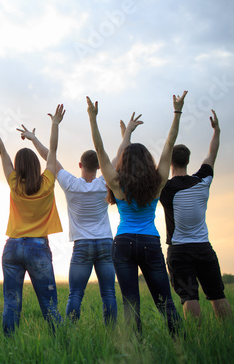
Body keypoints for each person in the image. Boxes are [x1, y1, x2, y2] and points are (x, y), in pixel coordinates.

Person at [86, 92, 187, 335]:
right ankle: (181, 343)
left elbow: (99, 150)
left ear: (124, 161)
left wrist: (92, 118)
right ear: (147, 160)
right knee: (166, 302)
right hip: (150, 243)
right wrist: (177, 113)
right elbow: (169, 145)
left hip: (123, 244)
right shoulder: (158, 181)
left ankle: (137, 352)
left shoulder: (117, 183)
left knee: (130, 304)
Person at [17, 125, 116, 326]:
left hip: (82, 246)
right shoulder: (104, 182)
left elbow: (50, 158)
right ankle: (112, 332)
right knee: (109, 294)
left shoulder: (70, 183)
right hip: (105, 243)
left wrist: (34, 139)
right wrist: (126, 136)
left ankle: (70, 331)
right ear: (99, 167)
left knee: (75, 294)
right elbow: (116, 158)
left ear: (80, 164)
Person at [0, 105, 64, 335]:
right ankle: (62, 343)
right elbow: (53, 151)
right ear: (37, 166)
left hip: (13, 247)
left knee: (11, 304)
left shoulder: (14, 182)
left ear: (18, 167)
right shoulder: (47, 183)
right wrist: (54, 124)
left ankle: (8, 346)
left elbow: (2, 151)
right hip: (38, 248)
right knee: (49, 305)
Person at [160, 110, 232, 320]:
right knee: (218, 294)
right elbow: (212, 154)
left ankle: (197, 338)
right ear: (189, 161)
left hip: (180, 250)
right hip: (203, 248)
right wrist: (217, 131)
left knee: (189, 297)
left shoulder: (165, 188)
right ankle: (227, 334)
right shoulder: (203, 181)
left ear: (170, 162)